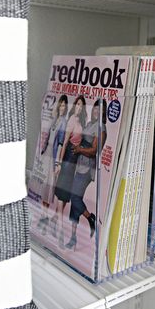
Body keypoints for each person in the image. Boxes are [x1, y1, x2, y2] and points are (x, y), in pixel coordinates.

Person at [65, 99, 107, 250]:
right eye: (95, 108)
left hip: (87, 169)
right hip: (79, 166)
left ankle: (91, 218)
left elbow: (94, 151)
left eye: (99, 109)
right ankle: (73, 238)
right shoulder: (90, 124)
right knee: (75, 201)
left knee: (74, 197)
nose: (96, 111)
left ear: (104, 112)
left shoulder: (101, 128)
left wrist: (80, 150)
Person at [53, 95, 87, 248]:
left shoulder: (81, 122)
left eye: (82, 105)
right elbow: (65, 142)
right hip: (67, 161)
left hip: (73, 164)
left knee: (65, 199)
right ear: (75, 106)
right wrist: (59, 163)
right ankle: (60, 233)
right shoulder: (72, 119)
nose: (79, 107)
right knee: (61, 199)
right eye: (78, 104)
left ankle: (56, 226)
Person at [38, 94, 68, 234]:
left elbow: (61, 143)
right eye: (60, 104)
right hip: (47, 154)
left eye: (64, 105)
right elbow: (48, 137)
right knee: (44, 185)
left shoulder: (63, 122)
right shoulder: (55, 120)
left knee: (49, 188)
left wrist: (58, 163)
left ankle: (46, 219)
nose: (61, 107)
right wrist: (42, 151)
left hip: (54, 157)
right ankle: (43, 216)